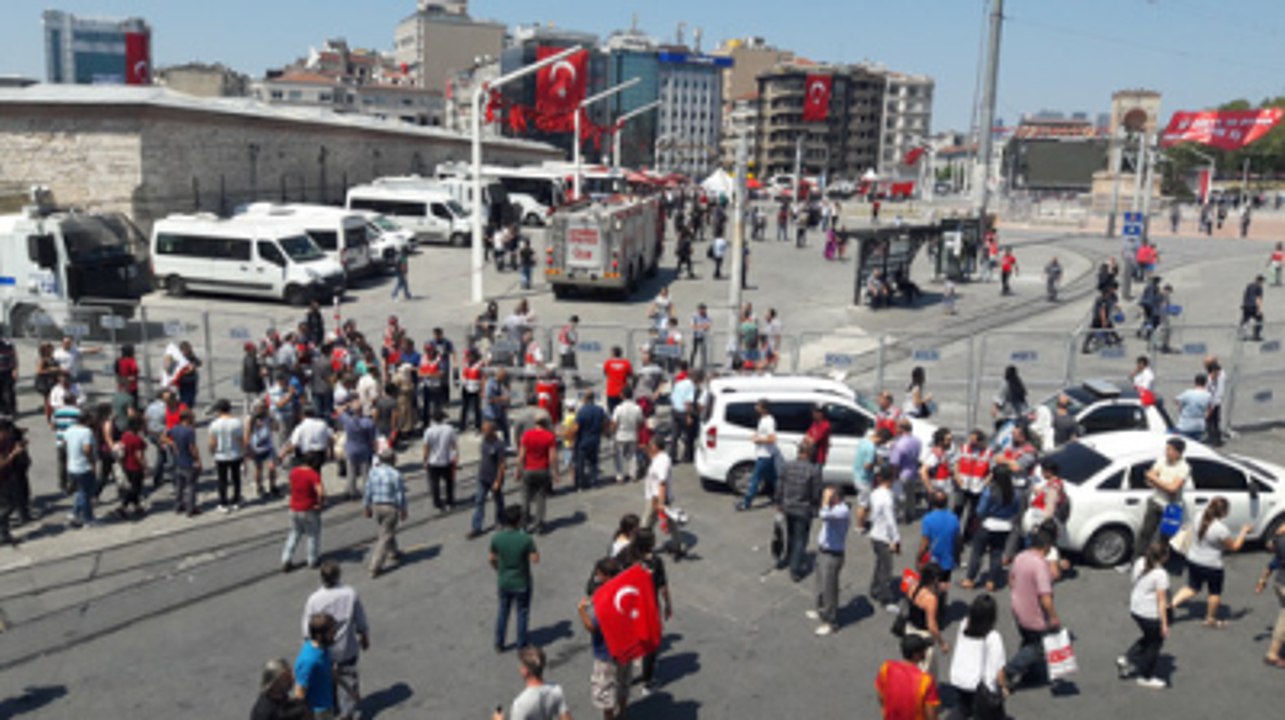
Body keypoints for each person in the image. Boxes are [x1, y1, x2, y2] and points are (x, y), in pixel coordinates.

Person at [302, 561, 370, 720]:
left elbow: (306, 630)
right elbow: (360, 619)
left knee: (328, 682)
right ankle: (347, 713)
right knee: (348, 680)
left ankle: (333, 709)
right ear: (338, 575)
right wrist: (364, 636)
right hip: (347, 648)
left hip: (324, 651)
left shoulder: (314, 599)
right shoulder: (350, 593)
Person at [1171, 497, 1252, 628]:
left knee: (1192, 587)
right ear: (1224, 512)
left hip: (1194, 559)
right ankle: (1210, 619)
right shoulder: (1221, 529)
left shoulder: (1198, 516)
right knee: (1214, 592)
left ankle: (1169, 606)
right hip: (1212, 565)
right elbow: (1234, 547)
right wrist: (1243, 532)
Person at [1003, 528, 1062, 688]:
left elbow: (1011, 580)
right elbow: (1045, 597)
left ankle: (1031, 673)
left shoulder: (1021, 557)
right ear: (1047, 546)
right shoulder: (1040, 565)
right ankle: (1009, 671)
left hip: (1017, 607)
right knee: (1037, 647)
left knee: (1029, 640)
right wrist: (1054, 617)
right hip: (1033, 614)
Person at [578, 557, 629, 720]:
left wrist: (581, 611)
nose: (596, 577)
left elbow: (593, 628)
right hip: (625, 648)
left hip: (606, 654)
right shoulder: (625, 591)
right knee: (623, 683)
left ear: (606, 575)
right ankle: (623, 714)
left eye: (599, 574)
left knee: (605, 692)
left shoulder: (606, 599)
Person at [624, 528, 674, 694]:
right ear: (650, 543)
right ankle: (647, 681)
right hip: (648, 608)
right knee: (650, 644)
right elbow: (663, 587)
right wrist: (668, 605)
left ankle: (625, 677)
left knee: (630, 642)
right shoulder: (656, 562)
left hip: (629, 607)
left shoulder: (627, 558)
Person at [1118, 542, 1171, 689]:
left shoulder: (1140, 562)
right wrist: (1164, 624)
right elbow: (1161, 601)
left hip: (1136, 608)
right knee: (1155, 644)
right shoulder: (1161, 574)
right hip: (1150, 613)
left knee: (1149, 637)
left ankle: (1127, 658)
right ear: (1163, 557)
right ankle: (1145, 677)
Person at [961, 466, 1022, 592]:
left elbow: (980, 510)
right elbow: (1016, 510)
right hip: (1004, 526)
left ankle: (970, 579)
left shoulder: (989, 491)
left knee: (977, 553)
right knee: (996, 553)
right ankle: (992, 581)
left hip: (988, 524)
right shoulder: (1016, 493)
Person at [949, 593, 1008, 719]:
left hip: (960, 678)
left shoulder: (964, 625)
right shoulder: (993, 637)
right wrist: (1003, 687)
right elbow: (999, 668)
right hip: (979, 686)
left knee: (964, 707)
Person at [492, 505, 539, 652]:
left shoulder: (497, 537)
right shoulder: (525, 539)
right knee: (522, 613)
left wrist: (498, 569)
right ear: (519, 520)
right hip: (521, 581)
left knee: (503, 612)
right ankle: (521, 644)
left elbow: (491, 558)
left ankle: (499, 643)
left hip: (504, 581)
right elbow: (535, 559)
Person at [1134, 437, 1191, 561]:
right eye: (1167, 449)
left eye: (1169, 449)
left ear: (1178, 452)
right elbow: (1150, 477)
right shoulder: (1161, 460)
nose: (1166, 452)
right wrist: (1160, 482)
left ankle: (1157, 562)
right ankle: (1137, 560)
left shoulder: (1184, 467)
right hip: (1155, 502)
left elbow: (1172, 488)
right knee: (1145, 533)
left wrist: (1155, 480)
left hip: (1170, 507)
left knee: (1164, 538)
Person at [775, 437, 822, 581]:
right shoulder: (814, 470)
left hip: (788, 506)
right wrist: (816, 507)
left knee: (791, 534)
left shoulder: (787, 466)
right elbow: (816, 493)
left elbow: (780, 486)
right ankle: (795, 569)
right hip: (803, 509)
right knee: (801, 539)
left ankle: (787, 558)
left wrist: (779, 503)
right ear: (810, 453)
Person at [807, 484, 851, 636]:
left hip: (833, 554)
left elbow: (824, 515)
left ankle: (830, 621)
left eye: (828, 496)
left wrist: (826, 500)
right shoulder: (832, 508)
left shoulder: (842, 510)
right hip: (822, 551)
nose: (824, 498)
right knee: (820, 584)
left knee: (829, 589)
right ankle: (820, 610)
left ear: (836, 497)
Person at [363, 446, 407, 577]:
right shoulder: (395, 474)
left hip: (376, 506)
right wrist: (403, 509)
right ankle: (375, 566)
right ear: (392, 459)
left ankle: (394, 552)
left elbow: (368, 490)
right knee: (385, 536)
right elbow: (400, 495)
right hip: (390, 507)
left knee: (386, 530)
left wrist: (366, 506)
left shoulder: (373, 472)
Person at [875, 634, 941, 720]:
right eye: (923, 649)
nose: (925, 652)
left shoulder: (887, 667)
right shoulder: (926, 681)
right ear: (916, 654)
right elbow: (931, 715)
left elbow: (880, 696)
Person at [496, 646, 572, 720]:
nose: (519, 668)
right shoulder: (555, 689)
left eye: (522, 665)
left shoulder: (520, 704)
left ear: (525, 671)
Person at [282, 452, 326, 572]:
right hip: (309, 509)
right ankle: (312, 559)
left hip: (294, 508)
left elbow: (291, 487)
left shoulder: (294, 472)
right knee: (312, 534)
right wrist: (320, 504)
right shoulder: (313, 475)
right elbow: (321, 492)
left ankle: (286, 558)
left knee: (294, 533)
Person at [642, 435, 684, 558]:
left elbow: (662, 483)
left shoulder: (662, 461)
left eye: (651, 445)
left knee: (646, 524)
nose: (649, 446)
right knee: (670, 522)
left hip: (656, 498)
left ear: (655, 447)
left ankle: (645, 550)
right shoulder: (660, 458)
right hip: (658, 497)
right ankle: (677, 546)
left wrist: (660, 503)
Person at [517, 413, 559, 534]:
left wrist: (518, 471)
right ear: (546, 424)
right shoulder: (549, 436)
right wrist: (555, 472)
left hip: (528, 469)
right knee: (541, 498)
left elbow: (521, 456)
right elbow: (553, 457)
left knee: (525, 498)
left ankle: (524, 524)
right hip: (543, 470)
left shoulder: (527, 435)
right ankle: (539, 524)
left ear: (535, 423)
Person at [469, 420, 508, 540]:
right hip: (483, 477)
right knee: (479, 501)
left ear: (492, 431)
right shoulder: (484, 441)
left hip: (494, 477)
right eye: (483, 430)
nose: (483, 432)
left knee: (498, 501)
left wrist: (498, 481)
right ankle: (476, 527)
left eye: (485, 430)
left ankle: (500, 521)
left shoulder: (499, 445)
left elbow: (502, 464)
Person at [869, 464, 901, 613]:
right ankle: (885, 598)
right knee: (886, 568)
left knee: (879, 564)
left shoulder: (875, 493)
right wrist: (896, 539)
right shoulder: (888, 497)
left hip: (875, 533)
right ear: (892, 479)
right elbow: (891, 521)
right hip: (884, 537)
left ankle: (875, 588)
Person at [737, 399, 778, 511]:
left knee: (755, 479)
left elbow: (772, 438)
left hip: (765, 455)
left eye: (758, 406)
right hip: (764, 454)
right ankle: (781, 496)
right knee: (773, 478)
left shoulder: (769, 421)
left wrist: (758, 439)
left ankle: (746, 503)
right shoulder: (762, 419)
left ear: (764, 409)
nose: (756, 408)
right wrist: (757, 435)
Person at [295, 613, 338, 720]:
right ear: (319, 635)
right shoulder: (309, 660)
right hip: (317, 713)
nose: (335, 634)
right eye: (331, 632)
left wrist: (350, 691)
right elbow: (299, 693)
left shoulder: (323, 648)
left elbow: (330, 672)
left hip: (328, 704)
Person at [1255, 522, 1285, 668]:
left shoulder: (1280, 540)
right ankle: (1272, 654)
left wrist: (1262, 581)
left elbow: (1272, 564)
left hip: (1279, 583)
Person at [919, 490, 961, 582]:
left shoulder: (928, 519)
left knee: (931, 584)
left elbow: (924, 543)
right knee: (944, 584)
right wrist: (957, 558)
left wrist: (919, 558)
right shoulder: (954, 518)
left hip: (932, 561)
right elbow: (957, 541)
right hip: (948, 561)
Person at [422, 410, 458, 512]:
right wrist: (455, 457)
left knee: (435, 483)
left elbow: (426, 447)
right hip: (447, 460)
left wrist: (425, 460)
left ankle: (437, 503)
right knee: (449, 482)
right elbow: (454, 445)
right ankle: (450, 501)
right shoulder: (450, 429)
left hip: (433, 462)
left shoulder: (429, 431)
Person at [167, 408, 202, 517]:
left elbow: (163, 436)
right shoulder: (190, 431)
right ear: (187, 418)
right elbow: (192, 448)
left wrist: (172, 443)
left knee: (179, 487)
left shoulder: (175, 428)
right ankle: (190, 509)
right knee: (191, 486)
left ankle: (178, 506)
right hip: (188, 462)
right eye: (192, 417)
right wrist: (198, 460)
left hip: (178, 462)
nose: (194, 419)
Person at [572, 391, 607, 491]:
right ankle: (594, 481)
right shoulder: (600, 410)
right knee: (594, 462)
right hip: (595, 439)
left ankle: (581, 484)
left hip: (583, 440)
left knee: (581, 463)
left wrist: (571, 436)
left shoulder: (582, 411)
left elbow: (576, 427)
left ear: (585, 399)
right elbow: (604, 423)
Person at [609, 387, 643, 484]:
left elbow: (614, 423)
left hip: (620, 434)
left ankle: (620, 477)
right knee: (633, 456)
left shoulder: (618, 408)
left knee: (618, 456)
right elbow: (640, 422)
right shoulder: (637, 408)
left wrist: (612, 432)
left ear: (623, 396)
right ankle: (633, 475)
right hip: (632, 433)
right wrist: (636, 429)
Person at [1175, 374, 1212, 441]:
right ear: (1205, 383)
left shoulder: (1188, 393)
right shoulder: (1208, 395)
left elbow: (1177, 400)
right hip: (1199, 425)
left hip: (1186, 424)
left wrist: (1180, 409)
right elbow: (1210, 408)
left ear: (1195, 382)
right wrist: (1205, 417)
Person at [991, 366, 1027, 432]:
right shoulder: (1019, 383)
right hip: (1019, 416)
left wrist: (995, 408)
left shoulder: (1006, 384)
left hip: (1008, 416)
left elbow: (1000, 398)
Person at [602, 348, 633, 414]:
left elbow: (605, 373)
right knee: (623, 412)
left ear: (613, 353)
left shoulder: (608, 363)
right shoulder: (626, 363)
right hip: (623, 392)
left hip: (611, 391)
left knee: (612, 412)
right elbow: (630, 374)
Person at [1241, 275, 1265, 341]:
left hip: (1246, 306)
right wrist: (1258, 309)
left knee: (1245, 320)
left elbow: (1245, 295)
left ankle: (1244, 335)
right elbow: (1258, 299)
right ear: (1261, 281)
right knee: (1259, 319)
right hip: (1253, 306)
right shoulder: (1259, 287)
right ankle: (1256, 335)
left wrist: (1244, 304)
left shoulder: (1249, 286)